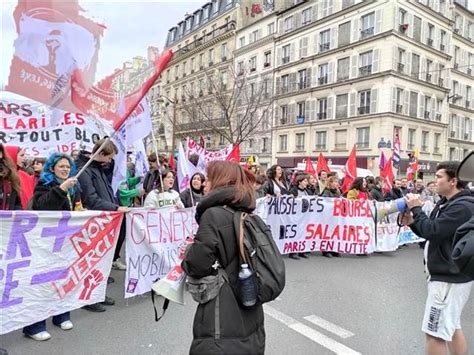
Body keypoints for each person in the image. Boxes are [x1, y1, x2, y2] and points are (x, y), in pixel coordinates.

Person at [182, 161, 265, 354]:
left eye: (209, 178)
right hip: (249, 299)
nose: (204, 183)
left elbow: (197, 265)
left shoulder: (213, 215)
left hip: (223, 308)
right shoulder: (247, 211)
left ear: (220, 181)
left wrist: (188, 252)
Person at [403, 161, 473, 355]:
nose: (435, 181)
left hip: (448, 277)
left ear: (453, 181)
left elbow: (434, 230)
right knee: (452, 326)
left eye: (439, 176)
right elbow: (432, 232)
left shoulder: (463, 206)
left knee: (434, 334)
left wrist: (416, 209)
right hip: (448, 275)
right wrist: (412, 223)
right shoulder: (448, 203)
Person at [23, 153, 81, 341]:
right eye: (61, 166)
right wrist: (62, 189)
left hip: (64, 241)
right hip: (45, 243)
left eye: (67, 167)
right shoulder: (44, 185)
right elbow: (43, 206)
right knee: (42, 282)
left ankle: (62, 315)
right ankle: (34, 326)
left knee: (64, 279)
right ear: (52, 168)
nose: (65, 170)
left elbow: (77, 209)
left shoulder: (74, 187)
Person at [76, 138, 126, 312]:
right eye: (109, 157)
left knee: (100, 261)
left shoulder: (98, 167)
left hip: (105, 218)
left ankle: (98, 293)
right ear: (101, 154)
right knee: (92, 261)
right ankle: (89, 299)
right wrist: (115, 207)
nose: (110, 161)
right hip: (95, 220)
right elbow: (91, 199)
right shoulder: (85, 170)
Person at [320, 176, 341, 258]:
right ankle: (326, 250)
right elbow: (325, 204)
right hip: (328, 216)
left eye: (337, 182)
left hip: (336, 216)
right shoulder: (326, 192)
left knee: (335, 233)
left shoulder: (338, 192)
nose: (337, 184)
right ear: (330, 183)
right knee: (327, 232)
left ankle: (333, 249)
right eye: (335, 182)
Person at [0, 143, 22, 210]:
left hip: (6, 219)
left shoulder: (10, 176)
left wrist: (17, 214)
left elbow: (16, 202)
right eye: (21, 155)